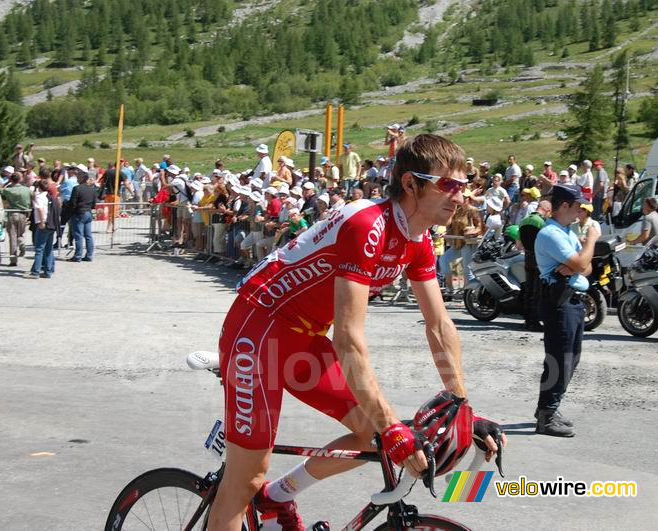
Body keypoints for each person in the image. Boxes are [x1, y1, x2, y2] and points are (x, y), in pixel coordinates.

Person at [208, 133, 505, 530]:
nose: (460, 196)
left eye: (464, 185)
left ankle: (277, 498)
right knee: (245, 478)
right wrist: (394, 427)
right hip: (257, 331)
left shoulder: (416, 240)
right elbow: (348, 339)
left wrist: (462, 407)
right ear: (410, 183)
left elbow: (439, 325)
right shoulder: (367, 224)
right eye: (448, 185)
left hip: (301, 338)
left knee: (369, 433)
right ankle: (254, 493)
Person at [534, 185, 601, 437]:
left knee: (571, 359)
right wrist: (591, 241)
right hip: (559, 302)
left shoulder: (565, 232)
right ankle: (546, 415)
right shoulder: (552, 234)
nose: (580, 212)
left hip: (572, 301)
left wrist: (578, 262)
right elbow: (582, 262)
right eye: (577, 207)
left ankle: (551, 408)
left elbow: (587, 268)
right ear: (564, 206)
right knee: (558, 360)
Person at [519, 200, 552, 332]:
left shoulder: (524, 220)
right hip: (539, 259)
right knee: (537, 291)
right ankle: (534, 321)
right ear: (547, 210)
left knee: (529, 290)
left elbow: (520, 240)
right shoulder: (542, 222)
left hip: (527, 257)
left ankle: (527, 319)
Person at [26, 179, 59, 279]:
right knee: (48, 249)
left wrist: (41, 222)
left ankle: (36, 271)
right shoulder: (51, 197)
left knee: (39, 248)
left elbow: (39, 209)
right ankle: (48, 271)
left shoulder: (39, 197)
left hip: (43, 223)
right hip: (52, 224)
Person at [0, 172, 32, 266]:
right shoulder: (27, 190)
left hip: (12, 213)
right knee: (20, 233)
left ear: (11, 180)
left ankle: (13, 260)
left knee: (12, 237)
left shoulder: (9, 190)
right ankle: (22, 243)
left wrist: (6, 183)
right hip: (23, 214)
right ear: (20, 179)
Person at [68, 172, 97, 262]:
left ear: (81, 178)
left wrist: (71, 211)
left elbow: (72, 203)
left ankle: (77, 256)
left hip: (79, 213)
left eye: (78, 177)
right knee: (88, 235)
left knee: (78, 236)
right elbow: (94, 203)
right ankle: (89, 255)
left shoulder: (76, 188)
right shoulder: (92, 189)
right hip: (88, 212)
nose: (77, 178)